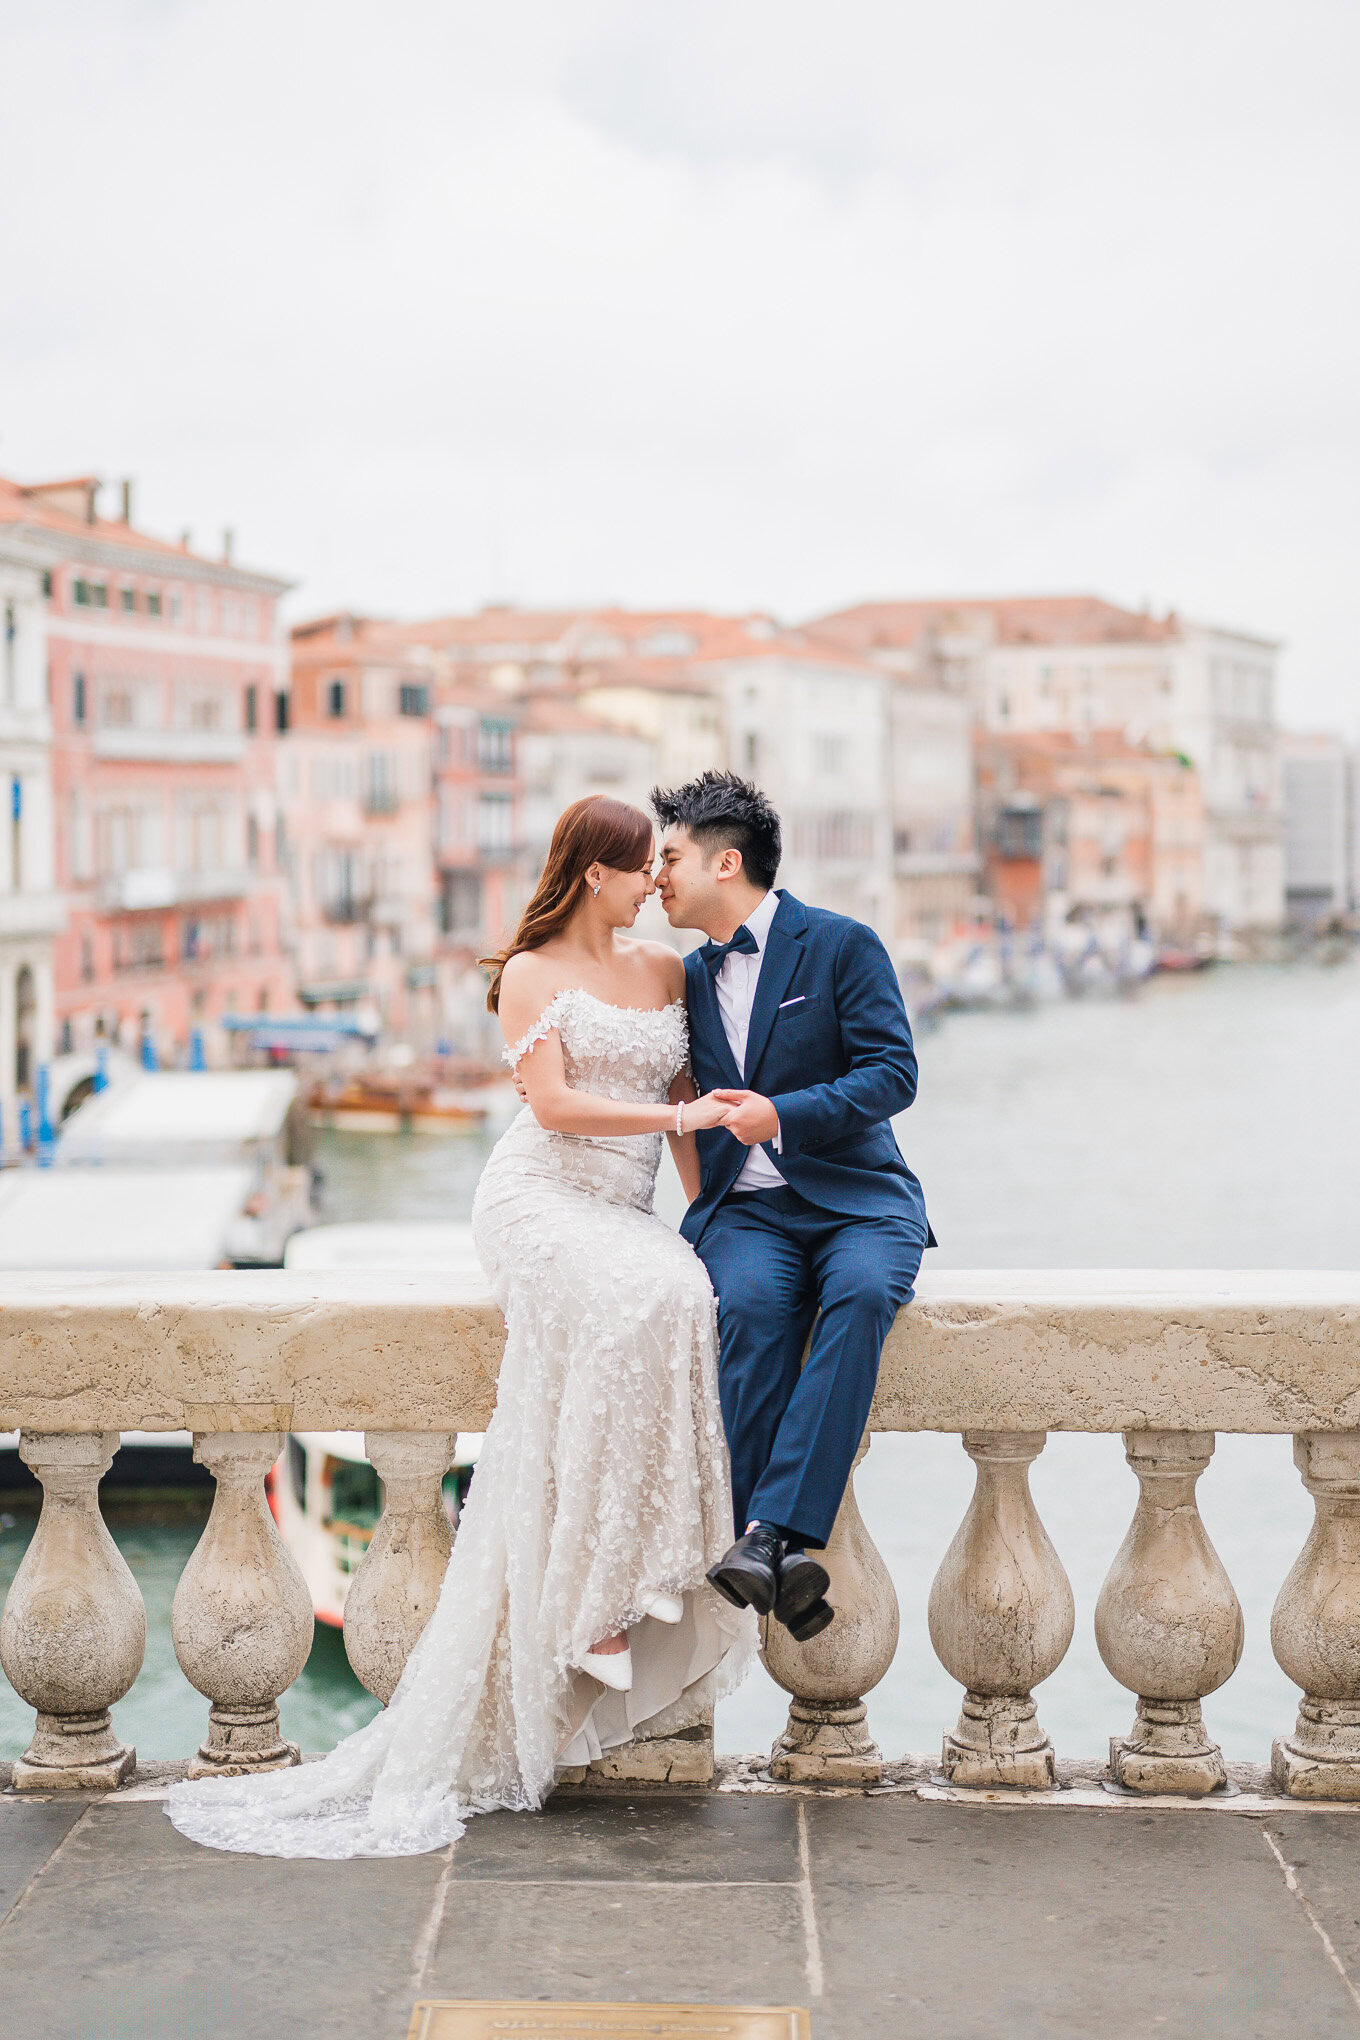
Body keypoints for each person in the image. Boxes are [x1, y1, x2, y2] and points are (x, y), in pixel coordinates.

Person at [165, 794, 754, 1859]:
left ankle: (629, 1576)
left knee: (686, 1292)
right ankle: (601, 1606)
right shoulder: (529, 975)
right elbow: (558, 1107)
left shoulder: (668, 973)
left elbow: (684, 1095)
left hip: (623, 1211)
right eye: (642, 869)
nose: (657, 883)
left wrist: (712, 1213)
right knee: (647, 1302)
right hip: (539, 1203)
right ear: (595, 877)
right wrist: (679, 1120)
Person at [652, 771, 933, 1642]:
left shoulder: (844, 945)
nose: (656, 875)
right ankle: (781, 1553)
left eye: (668, 857)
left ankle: (765, 1535)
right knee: (752, 1310)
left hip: (858, 1203)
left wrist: (787, 1114)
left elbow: (895, 1074)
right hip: (749, 1213)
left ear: (724, 862)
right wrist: (710, 1199)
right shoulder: (684, 978)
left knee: (859, 1298)